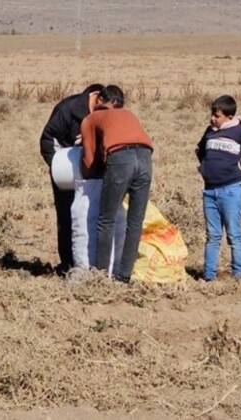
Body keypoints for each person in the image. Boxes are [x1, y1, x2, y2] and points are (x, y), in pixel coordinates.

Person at [81, 85, 153, 283]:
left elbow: (88, 161)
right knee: (135, 221)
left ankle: (101, 276)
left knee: (106, 219)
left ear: (99, 101)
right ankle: (124, 276)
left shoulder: (91, 118)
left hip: (121, 159)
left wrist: (88, 172)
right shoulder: (129, 114)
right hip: (146, 158)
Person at [196, 95, 241, 281]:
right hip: (209, 192)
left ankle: (239, 275)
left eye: (217, 116)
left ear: (229, 117)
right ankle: (209, 276)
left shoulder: (240, 131)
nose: (212, 118)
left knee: (234, 235)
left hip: (231, 191)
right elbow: (200, 150)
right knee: (212, 236)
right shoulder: (209, 132)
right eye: (212, 114)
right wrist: (205, 167)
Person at [40, 83, 104, 275]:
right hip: (65, 172)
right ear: (97, 98)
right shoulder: (68, 108)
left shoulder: (106, 111)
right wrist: (58, 165)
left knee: (96, 215)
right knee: (67, 217)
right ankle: (68, 265)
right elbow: (47, 139)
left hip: (94, 172)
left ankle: (95, 262)